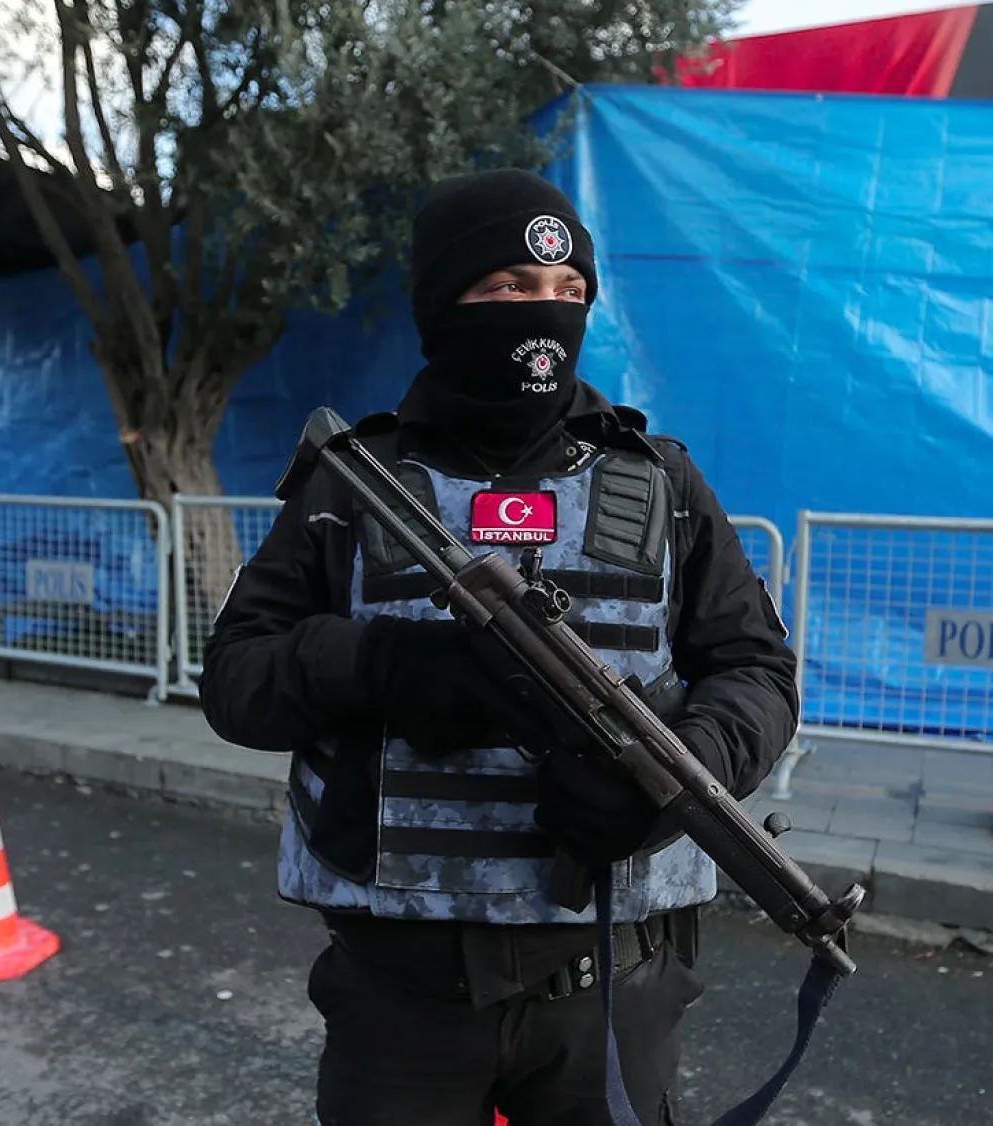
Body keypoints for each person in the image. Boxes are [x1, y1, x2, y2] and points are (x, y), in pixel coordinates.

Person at [198, 170, 799, 1126]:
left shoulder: (662, 483)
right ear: (444, 303)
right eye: (513, 288)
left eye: (570, 295)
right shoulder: (353, 486)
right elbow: (234, 679)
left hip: (612, 988)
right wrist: (382, 666)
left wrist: (674, 784)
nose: (547, 316)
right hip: (402, 996)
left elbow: (757, 669)